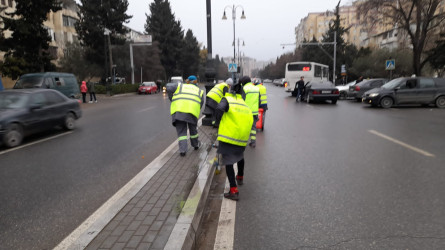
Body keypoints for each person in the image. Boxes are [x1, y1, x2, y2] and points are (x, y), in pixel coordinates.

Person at [215, 79, 253, 201]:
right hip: (242, 138)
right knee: (240, 156)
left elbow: (219, 109)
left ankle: (233, 190)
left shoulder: (227, 99)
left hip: (228, 137)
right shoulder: (245, 105)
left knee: (229, 162)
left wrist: (217, 122)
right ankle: (240, 177)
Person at [167, 75, 205, 156]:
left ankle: (182, 151)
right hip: (191, 113)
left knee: (182, 133)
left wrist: (172, 99)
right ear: (196, 82)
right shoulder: (199, 91)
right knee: (193, 131)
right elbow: (201, 103)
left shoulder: (180, 86)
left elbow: (169, 88)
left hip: (178, 112)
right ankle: (195, 145)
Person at [240, 76, 260, 148]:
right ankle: (253, 142)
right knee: (253, 128)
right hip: (254, 112)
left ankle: (242, 142)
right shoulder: (256, 88)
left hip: (246, 112)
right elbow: (259, 101)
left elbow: (241, 100)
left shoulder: (244, 88)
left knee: (244, 126)